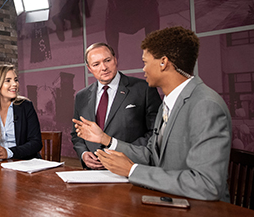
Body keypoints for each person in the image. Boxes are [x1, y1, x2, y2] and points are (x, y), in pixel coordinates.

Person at [73, 26, 232, 201]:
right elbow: (153, 154)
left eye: (145, 62)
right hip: (168, 201)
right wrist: (107, 141)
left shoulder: (206, 105)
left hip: (199, 216)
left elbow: (207, 185)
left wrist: (132, 170)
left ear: (163, 62)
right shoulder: (169, 103)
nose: (143, 69)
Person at [71, 42, 161, 169]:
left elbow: (154, 133)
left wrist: (120, 151)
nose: (103, 67)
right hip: (92, 173)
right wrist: (83, 154)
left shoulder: (143, 89)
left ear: (115, 59)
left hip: (129, 168)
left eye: (107, 60)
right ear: (89, 68)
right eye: (96, 64)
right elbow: (77, 134)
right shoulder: (81, 96)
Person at [0, 65, 42, 160]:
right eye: (8, 80)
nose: (15, 84)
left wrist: (9, 153)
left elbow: (36, 143)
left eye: (16, 80)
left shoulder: (26, 106)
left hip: (23, 163)